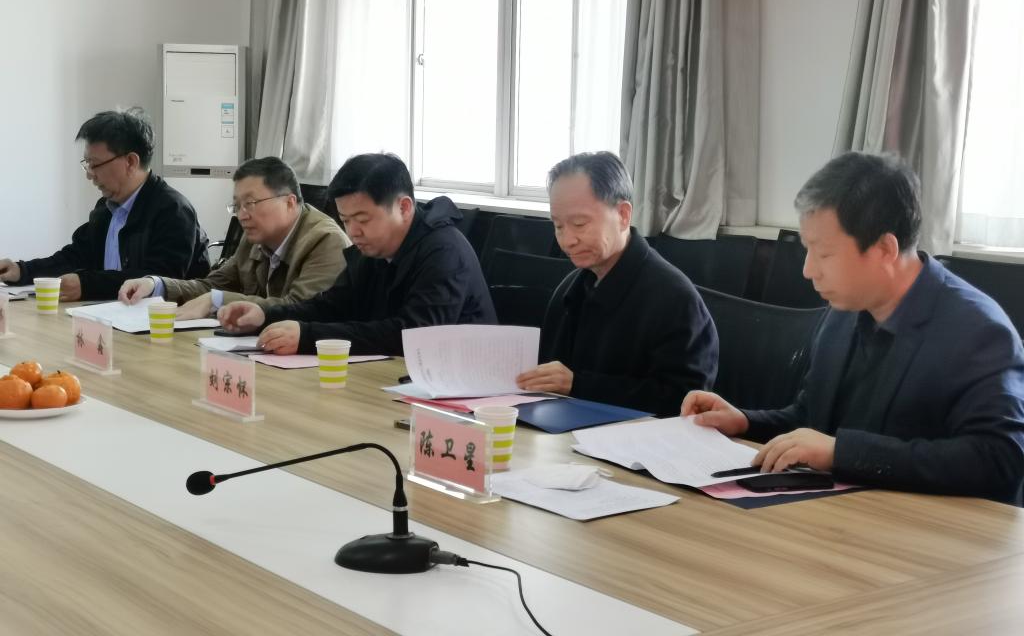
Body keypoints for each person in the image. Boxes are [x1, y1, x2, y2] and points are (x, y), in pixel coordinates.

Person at [683, 152, 1024, 504]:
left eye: (824, 254)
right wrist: (744, 421)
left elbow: (999, 459)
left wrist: (842, 453)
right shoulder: (843, 312)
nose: (808, 270)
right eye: (807, 250)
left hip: (927, 528)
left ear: (885, 249)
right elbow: (811, 421)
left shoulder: (978, 331)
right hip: (841, 514)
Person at [216, 153, 495, 356]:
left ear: (404, 207)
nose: (353, 232)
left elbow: (413, 335)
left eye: (362, 219)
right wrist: (265, 315)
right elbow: (333, 306)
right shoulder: (371, 249)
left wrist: (308, 337)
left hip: (463, 386)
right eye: (345, 220)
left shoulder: (444, 251)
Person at [515, 152, 718, 417]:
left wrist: (579, 385)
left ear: (623, 215)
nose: (567, 241)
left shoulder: (674, 299)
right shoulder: (570, 289)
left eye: (579, 224)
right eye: (558, 226)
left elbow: (684, 400)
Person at [0, 108, 208, 301]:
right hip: (112, 316)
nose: (90, 174)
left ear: (131, 162)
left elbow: (159, 280)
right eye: (87, 164)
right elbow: (75, 256)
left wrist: (87, 285)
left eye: (95, 164)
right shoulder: (106, 208)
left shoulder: (173, 210)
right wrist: (22, 271)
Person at [118, 157, 349, 319]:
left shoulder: (325, 241)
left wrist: (218, 300)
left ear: (289, 202)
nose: (242, 215)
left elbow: (299, 308)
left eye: (250, 203)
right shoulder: (253, 239)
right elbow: (211, 286)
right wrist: (156, 285)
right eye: (237, 206)